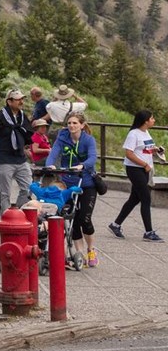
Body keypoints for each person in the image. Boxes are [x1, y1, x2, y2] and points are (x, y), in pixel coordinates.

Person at [45, 113, 99, 267]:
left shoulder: (88, 140)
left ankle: (91, 249)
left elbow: (92, 157)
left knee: (84, 219)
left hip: (86, 183)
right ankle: (78, 253)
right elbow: (54, 152)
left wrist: (82, 165)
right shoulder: (63, 137)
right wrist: (50, 165)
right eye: (69, 123)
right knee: (70, 217)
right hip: (67, 183)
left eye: (75, 123)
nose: (71, 126)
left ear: (82, 125)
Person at [111, 110, 162, 242]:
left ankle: (115, 225)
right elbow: (129, 153)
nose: (153, 120)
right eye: (152, 118)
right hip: (135, 169)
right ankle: (148, 232)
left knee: (134, 199)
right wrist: (144, 164)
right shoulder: (133, 134)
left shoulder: (145, 132)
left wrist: (155, 149)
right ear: (145, 121)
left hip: (145, 169)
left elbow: (145, 148)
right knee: (146, 198)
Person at [0, 89, 34, 208]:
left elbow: (26, 133)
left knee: (29, 188)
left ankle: (20, 212)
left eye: (22, 99)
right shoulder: (0, 116)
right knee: (3, 193)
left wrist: (24, 148)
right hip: (3, 159)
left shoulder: (22, 116)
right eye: (18, 99)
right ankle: (4, 219)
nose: (21, 101)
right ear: (9, 102)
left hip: (20, 159)